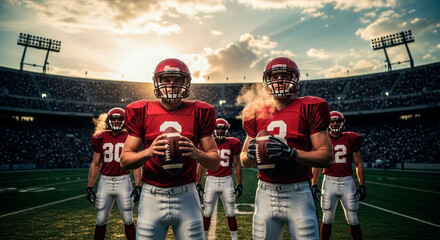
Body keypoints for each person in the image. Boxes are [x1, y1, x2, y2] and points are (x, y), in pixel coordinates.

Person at [120, 58, 220, 240]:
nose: (171, 85)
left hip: (187, 195)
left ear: (186, 83)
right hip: (152, 196)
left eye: (177, 80)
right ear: (158, 83)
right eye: (166, 80)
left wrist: (196, 153)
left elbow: (214, 161)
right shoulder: (141, 110)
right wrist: (149, 152)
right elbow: (125, 161)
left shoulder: (200, 111)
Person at [240, 57, 334, 240]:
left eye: (285, 75)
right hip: (265, 193)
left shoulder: (310, 107)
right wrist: (249, 154)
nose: (280, 80)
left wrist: (291, 153)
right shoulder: (255, 112)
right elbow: (245, 161)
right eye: (275, 76)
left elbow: (327, 157)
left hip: (298, 193)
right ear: (267, 81)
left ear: (295, 80)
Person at [87, 107, 142, 240]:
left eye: (119, 119)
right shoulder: (100, 137)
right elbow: (95, 163)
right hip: (105, 181)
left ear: (124, 121)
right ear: (109, 120)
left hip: (123, 180)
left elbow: (135, 164)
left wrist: (138, 186)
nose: (116, 121)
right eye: (114, 119)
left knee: (128, 218)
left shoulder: (130, 136)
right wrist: (89, 186)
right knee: (100, 219)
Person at [311, 111, 366, 240]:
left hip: (347, 181)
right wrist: (314, 184)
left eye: (338, 121)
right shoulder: (323, 138)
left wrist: (362, 184)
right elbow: (318, 163)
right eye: (332, 121)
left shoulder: (352, 138)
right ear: (328, 123)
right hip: (329, 181)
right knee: (327, 218)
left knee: (353, 218)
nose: (335, 123)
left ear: (343, 123)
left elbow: (358, 163)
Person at [196, 118, 243, 240]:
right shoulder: (207, 143)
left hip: (227, 180)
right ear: (213, 130)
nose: (221, 131)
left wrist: (239, 183)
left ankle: (235, 238)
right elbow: (201, 164)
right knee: (207, 213)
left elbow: (237, 164)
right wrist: (198, 182)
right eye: (218, 128)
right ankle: (203, 237)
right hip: (211, 180)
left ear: (227, 130)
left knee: (231, 213)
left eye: (223, 128)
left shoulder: (234, 143)